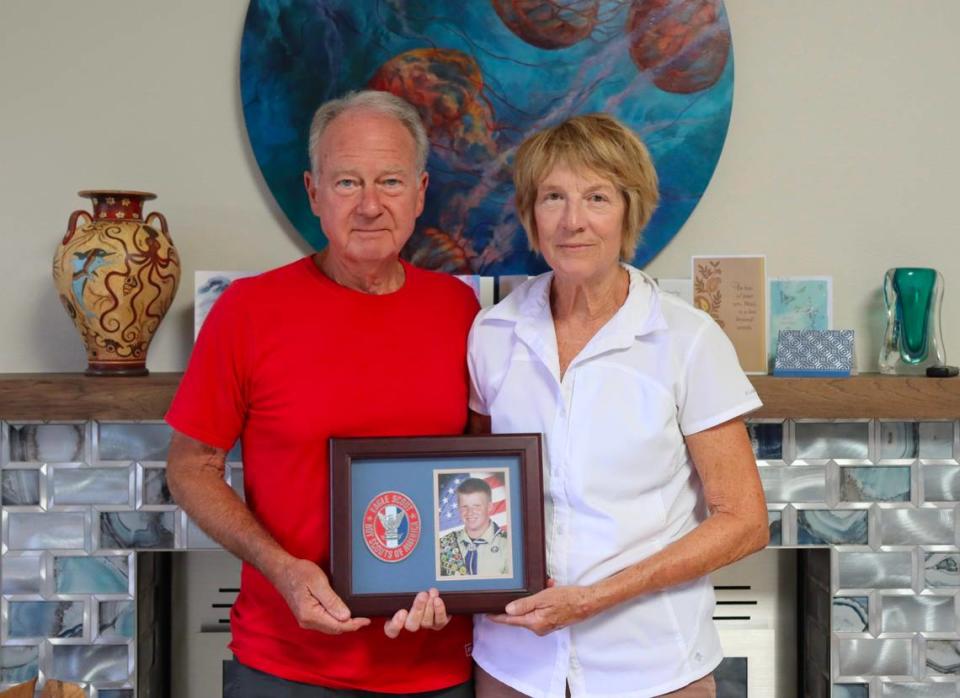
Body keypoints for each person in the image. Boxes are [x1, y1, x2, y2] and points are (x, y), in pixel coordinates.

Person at [165, 90, 479, 697]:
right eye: (345, 183)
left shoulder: (460, 309)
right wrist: (281, 569)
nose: (369, 205)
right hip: (285, 665)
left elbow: (480, 472)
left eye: (390, 181)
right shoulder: (247, 311)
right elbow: (190, 468)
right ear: (313, 192)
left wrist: (467, 578)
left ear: (420, 193)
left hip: (436, 666)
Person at [466, 114, 769, 698]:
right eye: (553, 197)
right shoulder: (492, 334)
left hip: (652, 665)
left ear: (631, 211)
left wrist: (594, 599)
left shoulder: (688, 339)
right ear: (530, 215)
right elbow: (477, 481)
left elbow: (744, 521)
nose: (573, 220)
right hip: (514, 664)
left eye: (597, 197)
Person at [439, 477, 510, 577]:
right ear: (459, 508)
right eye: (464, 507)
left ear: (489, 507)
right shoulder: (444, 545)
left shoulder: (508, 545)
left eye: (476, 506)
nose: (470, 512)